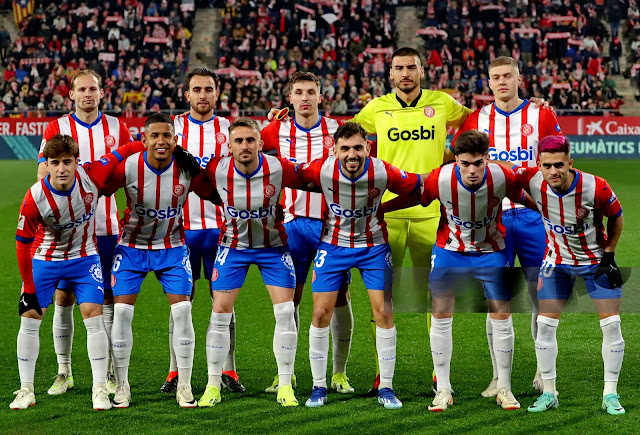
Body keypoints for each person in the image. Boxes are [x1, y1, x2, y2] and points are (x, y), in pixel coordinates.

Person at [349, 46, 471, 394]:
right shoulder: (376, 108)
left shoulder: (442, 103)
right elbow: (346, 137)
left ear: (422, 71)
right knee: (382, 298)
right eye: (398, 68)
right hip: (386, 213)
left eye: (411, 68)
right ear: (390, 74)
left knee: (436, 297)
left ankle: (439, 374)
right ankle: (381, 374)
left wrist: (451, 154)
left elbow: (477, 120)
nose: (405, 73)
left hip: (431, 212)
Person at [382, 130, 531, 412]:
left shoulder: (502, 176)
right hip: (450, 252)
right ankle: (444, 389)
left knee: (502, 313)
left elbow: (526, 196)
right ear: (456, 160)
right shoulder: (440, 178)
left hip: (491, 252)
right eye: (465, 163)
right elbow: (418, 198)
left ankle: (504, 388)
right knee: (440, 313)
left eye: (478, 163)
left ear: (487, 159)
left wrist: (550, 215)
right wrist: (382, 207)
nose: (472, 170)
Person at [453, 56, 564, 397]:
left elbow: (558, 162)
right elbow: (458, 162)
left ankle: (543, 373)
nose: (502, 82)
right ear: (489, 83)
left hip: (534, 218)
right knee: (496, 300)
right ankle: (499, 378)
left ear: (519, 77)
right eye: (495, 77)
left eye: (507, 76)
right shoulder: (476, 119)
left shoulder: (542, 115)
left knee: (539, 297)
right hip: (493, 221)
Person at [12, 134, 144, 410]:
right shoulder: (35, 197)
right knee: (31, 315)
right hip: (46, 260)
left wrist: (143, 142)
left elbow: (119, 153)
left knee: (93, 316)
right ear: (46, 165)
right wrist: (29, 288)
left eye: (67, 162)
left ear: (76, 163)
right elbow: (22, 245)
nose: (62, 169)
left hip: (84, 258)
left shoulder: (92, 176)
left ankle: (99, 390)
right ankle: (26, 390)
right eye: (55, 162)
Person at [296, 122, 421, 409]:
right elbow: (290, 177)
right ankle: (318, 387)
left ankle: (386, 388)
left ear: (367, 147)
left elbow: (417, 187)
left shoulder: (383, 171)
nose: (352, 154)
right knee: (319, 313)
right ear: (334, 150)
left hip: (373, 247)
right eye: (345, 148)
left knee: (383, 313)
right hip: (333, 245)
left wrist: (386, 208)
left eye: (357, 147)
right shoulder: (322, 169)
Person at [103, 113, 214, 409]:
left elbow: (216, 192)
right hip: (131, 247)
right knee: (122, 314)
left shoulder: (187, 170)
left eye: (167, 136)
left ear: (176, 141)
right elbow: (100, 187)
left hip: (172, 247)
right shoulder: (128, 167)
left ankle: (185, 385)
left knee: (183, 311)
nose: (161, 141)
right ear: (144, 140)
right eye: (155, 136)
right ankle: (123, 386)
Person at [197, 117, 307, 408]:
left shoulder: (278, 167)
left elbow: (313, 176)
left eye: (250, 140)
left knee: (285, 312)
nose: (244, 146)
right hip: (233, 247)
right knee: (219, 313)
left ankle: (285, 384)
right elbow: (193, 181)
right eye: (238, 141)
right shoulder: (215, 169)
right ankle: (212, 384)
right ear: (229, 145)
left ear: (260, 143)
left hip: (273, 248)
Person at [36, 69, 132, 396]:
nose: (88, 94)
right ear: (72, 95)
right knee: (64, 297)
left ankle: (103, 372)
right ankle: (64, 371)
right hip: (67, 232)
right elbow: (41, 172)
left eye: (93, 88)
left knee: (105, 296)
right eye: (82, 89)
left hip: (106, 227)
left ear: (102, 93)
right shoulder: (57, 127)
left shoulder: (117, 127)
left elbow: (128, 172)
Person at [514, 136, 626, 415]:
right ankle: (549, 393)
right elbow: (501, 172)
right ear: (538, 165)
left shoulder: (595, 186)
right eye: (547, 165)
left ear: (570, 163)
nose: (554, 171)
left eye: (560, 165)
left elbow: (617, 215)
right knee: (544, 325)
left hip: (595, 262)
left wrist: (610, 253)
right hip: (556, 262)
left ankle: (610, 394)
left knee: (611, 325)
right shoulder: (532, 180)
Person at [261, 72, 354, 395]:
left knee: (338, 298)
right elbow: (253, 144)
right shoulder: (278, 130)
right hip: (292, 225)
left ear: (320, 96)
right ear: (289, 98)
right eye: (298, 92)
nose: (304, 98)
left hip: (331, 226)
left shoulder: (335, 130)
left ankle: (339, 373)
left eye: (310, 92)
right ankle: (284, 373)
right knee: (289, 301)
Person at [160, 67, 245, 394]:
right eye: (197, 89)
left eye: (208, 89)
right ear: (187, 94)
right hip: (180, 230)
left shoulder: (228, 128)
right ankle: (174, 370)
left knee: (223, 301)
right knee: (180, 301)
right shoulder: (173, 128)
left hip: (222, 229)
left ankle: (229, 369)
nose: (203, 95)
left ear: (217, 93)